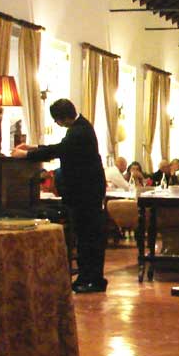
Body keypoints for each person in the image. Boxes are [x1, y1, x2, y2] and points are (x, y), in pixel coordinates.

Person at [12, 99, 108, 293]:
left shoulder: (79, 131)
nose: (57, 124)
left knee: (87, 238)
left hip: (85, 193)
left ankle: (90, 278)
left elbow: (61, 150)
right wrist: (34, 147)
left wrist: (27, 155)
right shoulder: (81, 128)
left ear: (61, 118)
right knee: (87, 237)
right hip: (87, 192)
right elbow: (62, 146)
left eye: (56, 120)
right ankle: (88, 277)